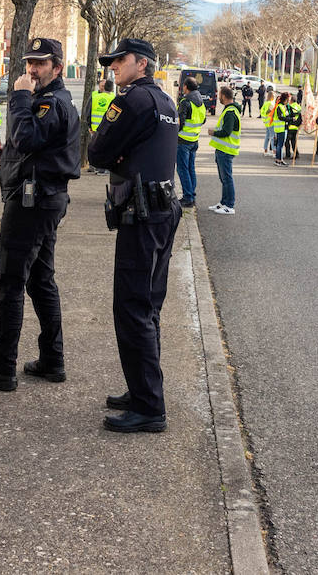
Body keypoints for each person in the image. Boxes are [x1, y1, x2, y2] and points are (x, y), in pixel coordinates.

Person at [88, 38, 181, 434]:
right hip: (161, 211)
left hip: (142, 216)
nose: (112, 67)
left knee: (132, 308)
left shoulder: (131, 101)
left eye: (118, 61)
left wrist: (116, 154)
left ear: (140, 64)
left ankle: (148, 406)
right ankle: (142, 389)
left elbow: (97, 152)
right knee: (148, 306)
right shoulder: (165, 102)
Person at [0, 37, 80, 392]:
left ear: (57, 67)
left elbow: (25, 137)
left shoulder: (49, 103)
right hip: (41, 197)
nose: (31, 70)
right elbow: (28, 147)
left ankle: (3, 368)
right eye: (28, 63)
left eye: (40, 64)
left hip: (33, 202)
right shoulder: (48, 101)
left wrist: (21, 97)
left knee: (10, 284)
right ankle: (52, 360)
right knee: (40, 280)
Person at [208, 86, 240, 215]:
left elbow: (227, 131)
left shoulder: (231, 112)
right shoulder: (229, 110)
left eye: (220, 95)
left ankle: (229, 205)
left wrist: (213, 132)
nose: (219, 97)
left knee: (227, 178)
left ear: (224, 96)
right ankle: (223, 202)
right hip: (223, 149)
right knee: (224, 178)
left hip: (226, 150)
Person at [174, 77, 206, 207]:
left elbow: (179, 123)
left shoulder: (185, 101)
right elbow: (203, 120)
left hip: (183, 141)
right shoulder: (200, 100)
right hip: (194, 140)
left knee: (182, 169)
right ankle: (191, 194)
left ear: (186, 86)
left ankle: (187, 197)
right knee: (191, 168)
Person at [88, 80, 116, 173]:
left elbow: (88, 111)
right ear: (112, 88)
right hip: (108, 128)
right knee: (106, 149)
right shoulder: (114, 98)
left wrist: (90, 125)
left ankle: (95, 167)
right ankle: (103, 169)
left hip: (95, 127)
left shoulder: (95, 96)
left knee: (95, 148)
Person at [271, 91, 290, 166]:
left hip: (283, 128)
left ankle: (279, 160)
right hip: (280, 129)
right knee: (280, 145)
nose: (288, 101)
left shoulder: (284, 106)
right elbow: (281, 117)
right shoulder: (279, 106)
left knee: (280, 145)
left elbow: (286, 115)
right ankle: (278, 160)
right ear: (285, 99)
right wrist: (291, 119)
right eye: (288, 99)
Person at [285, 95, 302, 163]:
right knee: (293, 141)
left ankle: (288, 154)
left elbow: (287, 116)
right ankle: (296, 154)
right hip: (296, 127)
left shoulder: (289, 107)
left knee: (286, 141)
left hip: (290, 126)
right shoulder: (299, 107)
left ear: (291, 100)